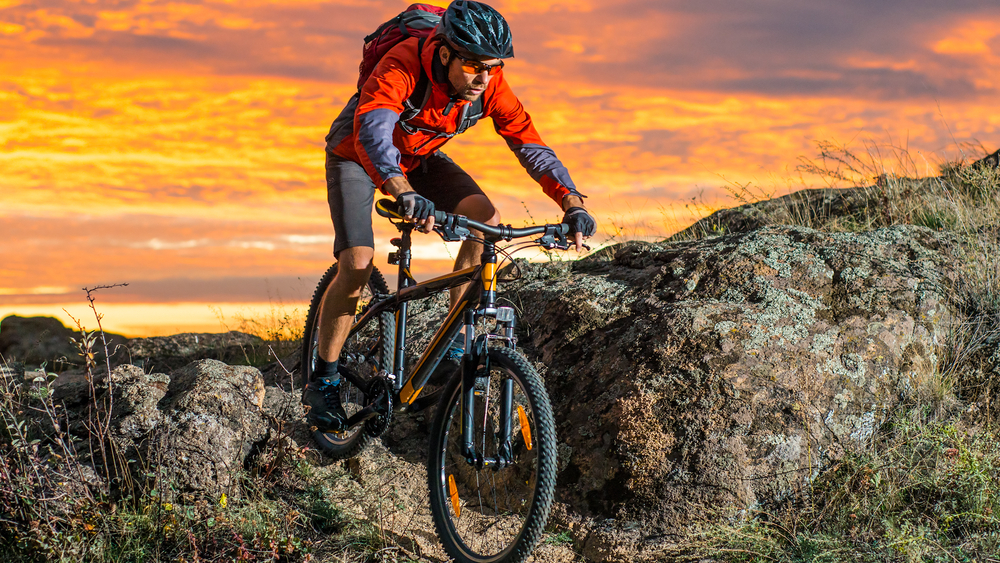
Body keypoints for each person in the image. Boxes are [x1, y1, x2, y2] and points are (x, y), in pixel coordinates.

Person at [303, 0, 596, 432]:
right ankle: (323, 381)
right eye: (474, 66)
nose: (484, 78)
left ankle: (455, 346)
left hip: (418, 157)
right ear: (445, 53)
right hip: (358, 157)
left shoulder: (490, 84)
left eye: (492, 68)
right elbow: (373, 133)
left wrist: (571, 200)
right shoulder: (401, 64)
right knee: (358, 262)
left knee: (485, 218)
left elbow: (528, 142)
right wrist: (400, 189)